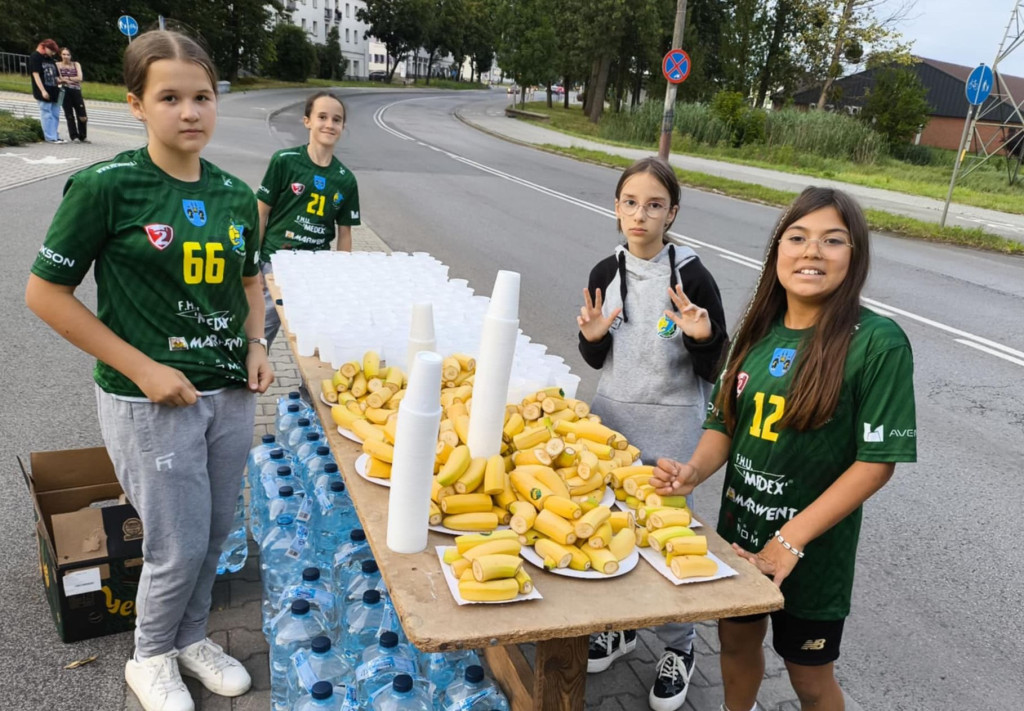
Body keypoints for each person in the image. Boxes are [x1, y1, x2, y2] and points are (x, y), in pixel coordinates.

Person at [25, 30, 273, 711]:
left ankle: (192, 636)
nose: (189, 111)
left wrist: (257, 346)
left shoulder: (232, 194)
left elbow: (250, 284)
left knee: (217, 531)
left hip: (226, 393)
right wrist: (143, 368)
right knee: (177, 540)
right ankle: (150, 653)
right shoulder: (107, 187)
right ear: (135, 105)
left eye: (203, 96)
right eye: (170, 97)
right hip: (149, 400)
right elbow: (44, 293)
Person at [651, 187, 917, 711]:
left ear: (854, 257)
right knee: (735, 645)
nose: (812, 251)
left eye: (832, 241)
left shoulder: (878, 342)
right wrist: (692, 471)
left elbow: (876, 464)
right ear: (777, 252)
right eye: (797, 238)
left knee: (810, 681)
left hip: (811, 558)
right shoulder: (757, 333)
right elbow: (724, 422)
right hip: (739, 541)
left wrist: (790, 542)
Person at [577, 156, 727, 711]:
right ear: (616, 209)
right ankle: (620, 628)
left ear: (673, 213)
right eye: (631, 203)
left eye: (654, 204)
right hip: (612, 421)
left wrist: (703, 337)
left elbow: (713, 365)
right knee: (613, 527)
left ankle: (678, 646)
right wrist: (592, 338)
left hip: (674, 425)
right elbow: (597, 354)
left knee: (668, 540)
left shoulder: (693, 276)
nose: (641, 214)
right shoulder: (603, 273)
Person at [256, 91, 361, 350]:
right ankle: (248, 385)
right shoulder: (285, 161)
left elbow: (344, 232)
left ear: (342, 127)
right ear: (307, 121)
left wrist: (340, 275)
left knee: (315, 343)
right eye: (322, 117)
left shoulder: (345, 179)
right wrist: (254, 264)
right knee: (258, 335)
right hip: (275, 265)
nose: (329, 124)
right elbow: (260, 213)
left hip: (316, 272)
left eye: (336, 120)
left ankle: (308, 392)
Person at [29, 38, 63, 143]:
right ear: (45, 47)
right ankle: (50, 137)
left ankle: (55, 134)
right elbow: (36, 74)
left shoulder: (51, 59)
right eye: (51, 51)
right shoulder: (35, 57)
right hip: (43, 90)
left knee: (55, 114)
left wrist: (61, 80)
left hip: (54, 90)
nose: (53, 53)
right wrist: (43, 91)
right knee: (46, 113)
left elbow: (56, 75)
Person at [57, 46, 89, 143]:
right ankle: (74, 135)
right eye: (64, 54)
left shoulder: (76, 64)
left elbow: (79, 77)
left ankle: (83, 135)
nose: (66, 56)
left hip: (76, 90)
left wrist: (68, 79)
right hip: (64, 91)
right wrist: (64, 80)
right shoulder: (57, 65)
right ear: (60, 55)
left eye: (68, 54)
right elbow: (59, 78)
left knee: (82, 115)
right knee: (69, 115)